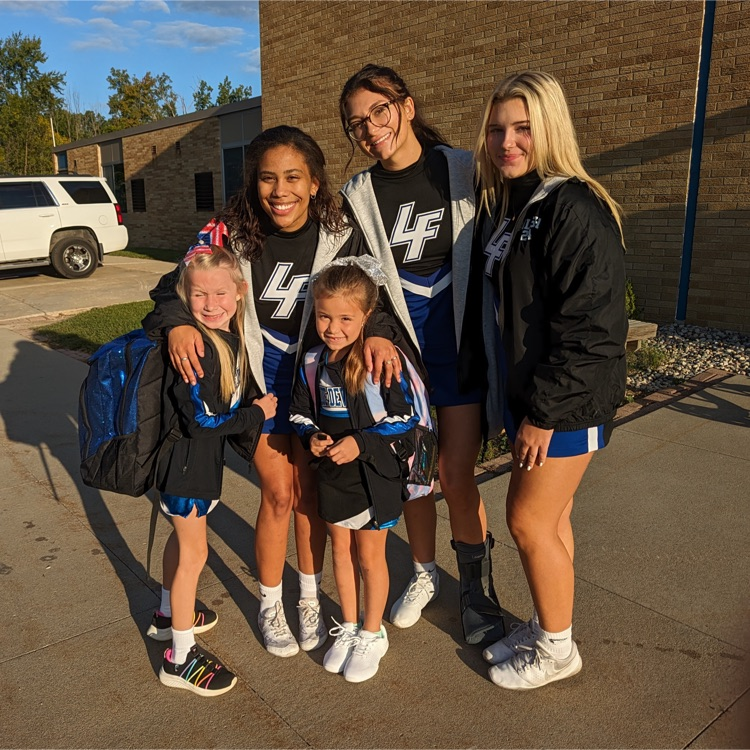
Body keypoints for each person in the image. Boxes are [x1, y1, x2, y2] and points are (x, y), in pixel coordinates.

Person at [143, 126, 400, 659]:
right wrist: (176, 324)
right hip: (259, 390)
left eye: (292, 178)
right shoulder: (227, 230)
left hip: (318, 389)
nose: (279, 191)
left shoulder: (341, 229)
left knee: (312, 497)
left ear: (314, 183)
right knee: (280, 494)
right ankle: (271, 603)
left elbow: (372, 295)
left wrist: (375, 333)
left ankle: (309, 595)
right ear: (252, 184)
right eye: (267, 178)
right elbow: (172, 287)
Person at [338, 64, 504, 645]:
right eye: (356, 123)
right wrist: (378, 327)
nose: (370, 128)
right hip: (401, 363)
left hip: (458, 353)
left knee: (456, 477)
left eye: (378, 111)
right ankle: (426, 573)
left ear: (406, 107)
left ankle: (477, 589)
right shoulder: (357, 195)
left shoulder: (463, 169)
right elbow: (356, 277)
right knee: (413, 477)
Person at [472, 70, 627, 689]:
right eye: (496, 130)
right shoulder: (520, 205)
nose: (506, 142)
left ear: (549, 130)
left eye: (522, 129)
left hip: (565, 402)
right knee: (552, 520)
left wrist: (543, 412)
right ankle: (547, 623)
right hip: (535, 396)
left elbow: (592, 327)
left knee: (527, 522)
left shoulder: (574, 205)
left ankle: (558, 650)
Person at [150, 245, 278, 696]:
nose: (210, 304)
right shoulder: (198, 348)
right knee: (194, 556)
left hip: (189, 464)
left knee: (181, 541)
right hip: (187, 468)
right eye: (199, 295)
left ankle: (167, 613)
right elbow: (201, 421)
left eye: (220, 293)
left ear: (240, 293)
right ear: (185, 296)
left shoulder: (228, 336)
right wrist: (257, 414)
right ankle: (179, 658)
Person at [289, 257, 419, 682]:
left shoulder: (380, 362)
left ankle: (371, 630)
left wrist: (360, 442)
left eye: (346, 318)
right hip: (333, 475)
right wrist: (312, 437)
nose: (333, 327)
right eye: (324, 316)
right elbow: (299, 412)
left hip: (372, 477)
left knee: (369, 557)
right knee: (340, 552)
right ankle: (347, 625)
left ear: (366, 316)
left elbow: (405, 418)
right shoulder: (310, 362)